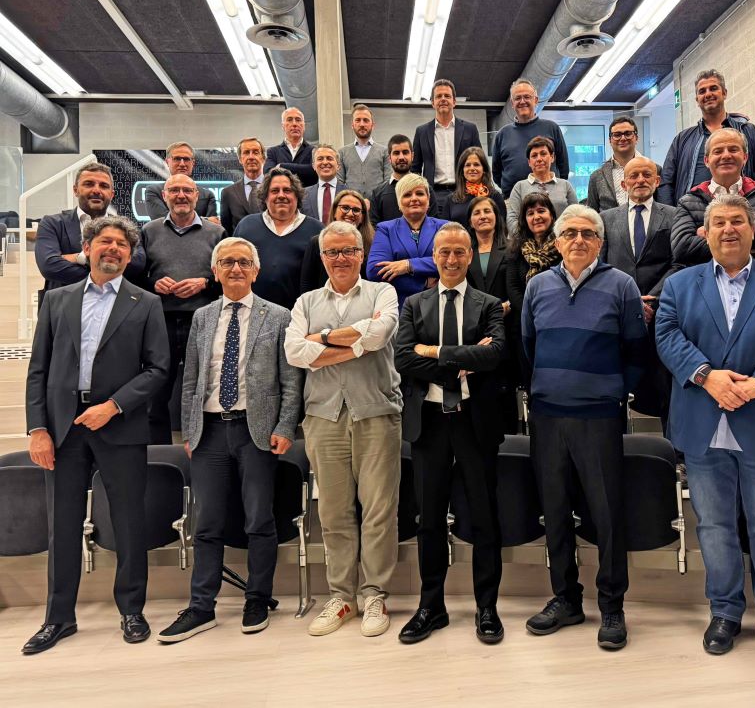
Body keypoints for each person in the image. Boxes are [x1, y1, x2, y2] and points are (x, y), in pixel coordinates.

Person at [655, 192, 755, 661]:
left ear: (753, 230)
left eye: (738, 221)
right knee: (714, 525)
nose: (729, 229)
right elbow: (666, 334)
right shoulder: (679, 284)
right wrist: (707, 376)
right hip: (702, 422)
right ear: (704, 233)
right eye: (719, 222)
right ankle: (724, 612)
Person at [23, 215, 169, 655]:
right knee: (62, 525)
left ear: (129, 254)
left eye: (122, 245)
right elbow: (38, 369)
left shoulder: (145, 302)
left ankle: (132, 610)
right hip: (62, 428)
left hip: (119, 424)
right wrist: (38, 428)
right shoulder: (57, 299)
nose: (114, 249)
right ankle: (58, 618)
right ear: (87, 248)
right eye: (106, 241)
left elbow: (158, 368)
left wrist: (114, 406)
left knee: (128, 522)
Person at [157, 238, 302, 643]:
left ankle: (258, 598)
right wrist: (190, 430)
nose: (235, 268)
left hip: (256, 431)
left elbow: (291, 381)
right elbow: (191, 378)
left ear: (256, 270)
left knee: (259, 520)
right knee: (207, 524)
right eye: (227, 262)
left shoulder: (279, 316)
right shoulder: (203, 317)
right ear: (215, 271)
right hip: (209, 432)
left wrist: (285, 427)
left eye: (243, 262)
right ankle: (201, 606)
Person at [522, 204, 646, 651]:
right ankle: (566, 598)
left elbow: (636, 351)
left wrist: (610, 392)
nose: (578, 240)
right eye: (570, 233)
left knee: (606, 513)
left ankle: (612, 605)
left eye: (588, 233)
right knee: (554, 510)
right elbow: (528, 346)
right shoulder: (537, 286)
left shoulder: (622, 285)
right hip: (547, 415)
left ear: (600, 242)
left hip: (599, 417)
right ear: (556, 242)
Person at [284, 221, 403, 639]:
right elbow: (295, 352)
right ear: (322, 257)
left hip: (376, 413)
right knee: (333, 513)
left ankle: (374, 595)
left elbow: (380, 335)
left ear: (361, 254)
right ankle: (342, 596)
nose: (341, 258)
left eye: (349, 250)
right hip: (323, 417)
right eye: (332, 252)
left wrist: (322, 341)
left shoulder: (382, 293)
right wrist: (355, 342)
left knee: (378, 510)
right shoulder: (305, 301)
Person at [394, 222, 506, 645]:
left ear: (469, 255)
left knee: (484, 517)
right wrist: (462, 361)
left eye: (460, 251)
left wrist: (437, 352)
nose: (452, 259)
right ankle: (431, 606)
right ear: (434, 256)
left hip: (476, 421)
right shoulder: (414, 304)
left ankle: (487, 607)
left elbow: (495, 355)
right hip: (429, 421)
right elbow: (404, 359)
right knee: (429, 519)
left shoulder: (488, 304)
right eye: (445, 252)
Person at [599, 156, 683, 427]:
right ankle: (617, 443)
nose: (640, 180)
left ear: (657, 181)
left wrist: (653, 299)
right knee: (617, 387)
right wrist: (629, 299)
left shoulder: (674, 216)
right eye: (633, 176)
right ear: (624, 184)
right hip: (619, 314)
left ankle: (674, 447)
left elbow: (679, 263)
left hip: (662, 313)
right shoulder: (606, 219)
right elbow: (601, 265)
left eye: (647, 175)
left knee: (666, 386)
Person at [141, 174, 224, 444]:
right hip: (160, 322)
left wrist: (205, 283)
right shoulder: (149, 231)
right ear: (164, 196)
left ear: (197, 196)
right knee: (157, 391)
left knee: (202, 389)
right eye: (174, 190)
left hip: (202, 322)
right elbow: (136, 276)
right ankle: (159, 453)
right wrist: (153, 283)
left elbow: (228, 277)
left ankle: (202, 448)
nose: (181, 195)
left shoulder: (217, 234)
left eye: (187, 190)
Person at [35, 163, 146, 307]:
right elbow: (49, 266)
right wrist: (108, 268)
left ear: (112, 194)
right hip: (63, 309)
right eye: (89, 184)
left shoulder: (127, 227)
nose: (96, 190)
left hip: (115, 308)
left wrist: (78, 258)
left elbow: (136, 263)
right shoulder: (52, 223)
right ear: (76, 190)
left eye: (104, 186)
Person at [672, 128, 755, 266]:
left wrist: (711, 234)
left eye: (733, 149)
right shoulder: (688, 202)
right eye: (718, 151)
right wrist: (747, 243)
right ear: (707, 160)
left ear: (745, 157)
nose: (726, 155)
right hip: (705, 278)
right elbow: (681, 247)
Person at [657, 69, 755, 206]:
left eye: (713, 88)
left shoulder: (748, 131)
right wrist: (674, 215)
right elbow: (666, 183)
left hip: (742, 212)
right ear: (697, 100)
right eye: (702, 91)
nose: (708, 94)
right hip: (693, 215)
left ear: (724, 93)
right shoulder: (682, 140)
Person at [233, 167, 323, 309]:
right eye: (274, 191)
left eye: (287, 190)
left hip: (300, 314)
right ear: (265, 197)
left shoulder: (317, 230)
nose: (281, 195)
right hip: (252, 313)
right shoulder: (246, 226)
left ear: (297, 196)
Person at [465, 195, 517, 433]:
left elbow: (517, 287)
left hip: (506, 327)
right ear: (470, 221)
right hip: (473, 329)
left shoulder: (511, 248)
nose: (483, 216)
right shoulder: (465, 253)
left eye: (487, 211)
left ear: (497, 216)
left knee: (504, 394)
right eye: (477, 213)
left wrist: (503, 308)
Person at [366, 173, 446, 310]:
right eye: (407, 195)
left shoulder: (445, 227)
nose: (414, 198)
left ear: (428, 199)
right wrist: (423, 283)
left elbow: (451, 261)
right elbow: (375, 270)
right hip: (400, 306)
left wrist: (408, 265)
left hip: (440, 304)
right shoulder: (385, 229)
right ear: (399, 202)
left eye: (419, 193)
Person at [411, 78, 483, 212]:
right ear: (432, 103)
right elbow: (415, 168)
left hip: (465, 193)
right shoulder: (421, 132)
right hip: (433, 196)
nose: (443, 99)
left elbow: (480, 163)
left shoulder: (470, 129)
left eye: (447, 96)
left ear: (454, 102)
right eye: (438, 96)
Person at [492, 78, 569, 197]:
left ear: (536, 100)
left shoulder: (551, 128)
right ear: (512, 103)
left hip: (549, 198)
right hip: (513, 199)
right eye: (517, 98)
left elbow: (563, 167)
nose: (522, 101)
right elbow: (496, 174)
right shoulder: (502, 135)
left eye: (527, 97)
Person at [506, 192, 560, 336]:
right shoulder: (516, 248)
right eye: (530, 213)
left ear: (552, 215)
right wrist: (530, 313)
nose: (536, 217)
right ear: (525, 220)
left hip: (558, 318)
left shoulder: (563, 246)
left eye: (541, 211)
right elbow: (513, 287)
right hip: (524, 322)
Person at [300, 189, 375, 292]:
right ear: (334, 211)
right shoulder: (316, 242)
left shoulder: (373, 244)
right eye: (345, 208)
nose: (350, 213)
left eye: (356, 210)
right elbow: (307, 283)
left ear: (362, 217)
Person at [505, 136, 577, 235]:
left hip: (561, 241)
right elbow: (511, 219)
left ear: (552, 157)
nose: (539, 159)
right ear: (529, 162)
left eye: (543, 154)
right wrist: (527, 240)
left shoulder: (565, 185)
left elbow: (576, 215)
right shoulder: (519, 187)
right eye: (534, 156)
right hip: (528, 243)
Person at [144, 142, 219, 222]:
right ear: (167, 162)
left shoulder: (207, 195)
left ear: (193, 163)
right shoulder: (154, 191)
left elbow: (212, 226)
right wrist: (204, 220)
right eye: (177, 159)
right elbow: (162, 222)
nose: (182, 164)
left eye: (186, 159)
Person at [586, 116, 646, 212]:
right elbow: (591, 214)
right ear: (610, 140)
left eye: (628, 134)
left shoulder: (654, 170)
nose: (623, 138)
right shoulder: (596, 176)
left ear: (636, 138)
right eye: (617, 135)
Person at [338, 104, 391, 197]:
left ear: (372, 125)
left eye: (366, 120)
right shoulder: (342, 152)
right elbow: (339, 183)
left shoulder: (385, 152)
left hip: (377, 204)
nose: (362, 124)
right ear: (352, 125)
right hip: (351, 204)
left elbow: (388, 181)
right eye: (358, 120)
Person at [443, 146, 504, 226]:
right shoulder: (450, 200)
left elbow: (502, 227)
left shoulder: (495, 197)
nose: (472, 168)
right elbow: (445, 230)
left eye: (476, 164)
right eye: (468, 165)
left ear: (484, 169)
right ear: (462, 170)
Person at [220, 137, 266, 235]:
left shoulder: (274, 188)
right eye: (246, 152)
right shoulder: (228, 193)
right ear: (240, 159)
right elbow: (226, 230)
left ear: (263, 157)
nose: (251, 157)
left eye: (256, 152)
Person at [263, 107, 317, 187]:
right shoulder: (273, 151)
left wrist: (281, 166)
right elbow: (268, 173)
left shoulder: (314, 150)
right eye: (289, 120)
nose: (294, 124)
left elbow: (313, 171)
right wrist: (302, 170)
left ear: (304, 126)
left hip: (307, 194)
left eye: (298, 120)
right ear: (283, 126)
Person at [370, 134, 416, 225]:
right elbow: (374, 227)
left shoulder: (425, 189)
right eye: (396, 153)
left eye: (405, 152)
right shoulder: (378, 194)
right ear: (389, 158)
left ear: (412, 156)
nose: (401, 157)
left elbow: (432, 225)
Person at [301, 144, 348, 223]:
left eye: (329, 158)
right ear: (313, 166)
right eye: (320, 159)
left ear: (338, 166)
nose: (325, 162)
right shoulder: (303, 195)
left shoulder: (350, 193)